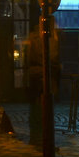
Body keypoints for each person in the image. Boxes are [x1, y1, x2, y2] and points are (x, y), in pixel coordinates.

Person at [24, 18, 60, 147]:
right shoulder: (52, 40)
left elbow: (28, 58)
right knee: (46, 111)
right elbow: (54, 59)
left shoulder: (33, 39)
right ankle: (45, 141)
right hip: (47, 77)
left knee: (35, 110)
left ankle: (35, 138)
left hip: (34, 77)